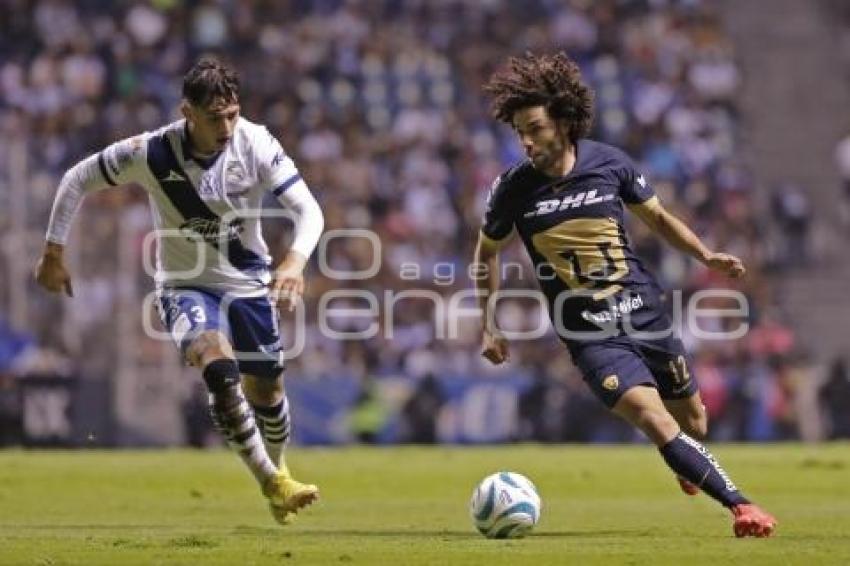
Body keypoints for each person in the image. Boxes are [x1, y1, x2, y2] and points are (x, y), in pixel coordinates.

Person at [473, 52, 776, 538]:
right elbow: (485, 254)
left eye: (534, 128)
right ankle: (741, 506)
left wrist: (706, 256)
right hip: (589, 332)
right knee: (653, 419)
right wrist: (489, 322)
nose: (525, 141)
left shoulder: (609, 162)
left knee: (693, 421)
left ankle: (686, 459)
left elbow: (657, 218)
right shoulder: (513, 189)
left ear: (565, 122)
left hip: (643, 310)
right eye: (519, 132)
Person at [34, 58, 323, 525]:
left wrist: (294, 261)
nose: (227, 126)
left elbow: (309, 210)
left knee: (267, 389)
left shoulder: (257, 142)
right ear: (187, 112)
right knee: (218, 367)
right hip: (185, 285)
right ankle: (272, 480)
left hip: (248, 284)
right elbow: (76, 179)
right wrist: (53, 251)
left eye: (232, 114)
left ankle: (279, 468)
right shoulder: (150, 152)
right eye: (215, 117)